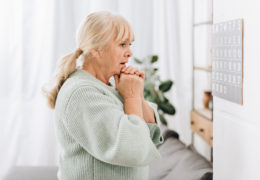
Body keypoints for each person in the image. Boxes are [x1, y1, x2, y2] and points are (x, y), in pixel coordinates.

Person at [43, 11, 164, 180]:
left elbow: (150, 132)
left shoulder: (109, 85)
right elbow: (134, 150)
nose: (129, 53)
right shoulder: (82, 93)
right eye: (122, 44)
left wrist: (137, 96)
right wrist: (131, 98)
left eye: (130, 45)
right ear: (96, 49)